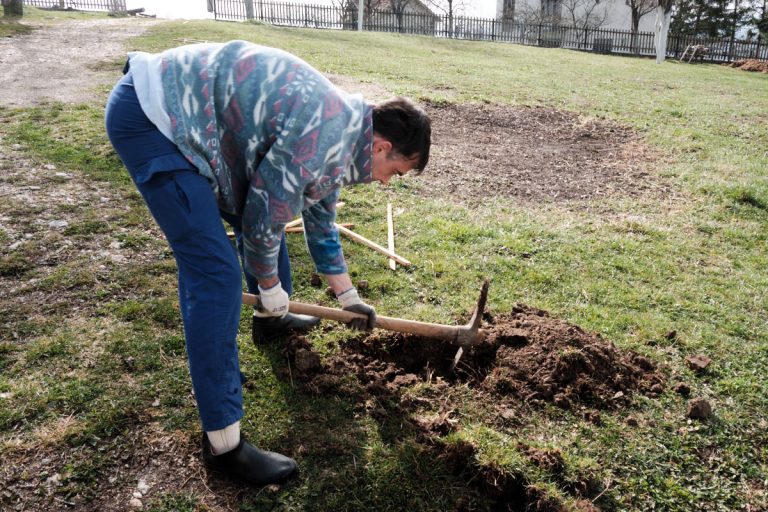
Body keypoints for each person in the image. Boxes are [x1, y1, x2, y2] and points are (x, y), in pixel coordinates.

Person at [104, 40, 431, 486]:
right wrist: (271, 284)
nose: (384, 183)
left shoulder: (341, 132)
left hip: (193, 117)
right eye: (394, 172)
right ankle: (224, 445)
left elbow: (319, 221)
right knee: (215, 276)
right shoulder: (323, 135)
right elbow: (262, 220)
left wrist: (348, 297)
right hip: (155, 119)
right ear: (381, 146)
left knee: (266, 214)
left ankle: (270, 320)